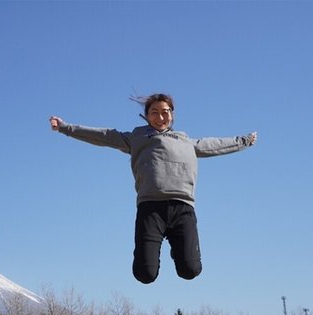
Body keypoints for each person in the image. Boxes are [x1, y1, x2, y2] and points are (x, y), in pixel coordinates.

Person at [49, 93, 257, 284]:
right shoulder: (136, 138)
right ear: (147, 116)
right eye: (154, 113)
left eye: (165, 112)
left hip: (182, 208)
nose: (160, 117)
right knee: (145, 275)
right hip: (150, 209)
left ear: (172, 115)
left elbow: (216, 144)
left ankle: (179, 249)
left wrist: (244, 141)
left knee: (190, 271)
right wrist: (65, 127)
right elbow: (103, 135)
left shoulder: (186, 142)